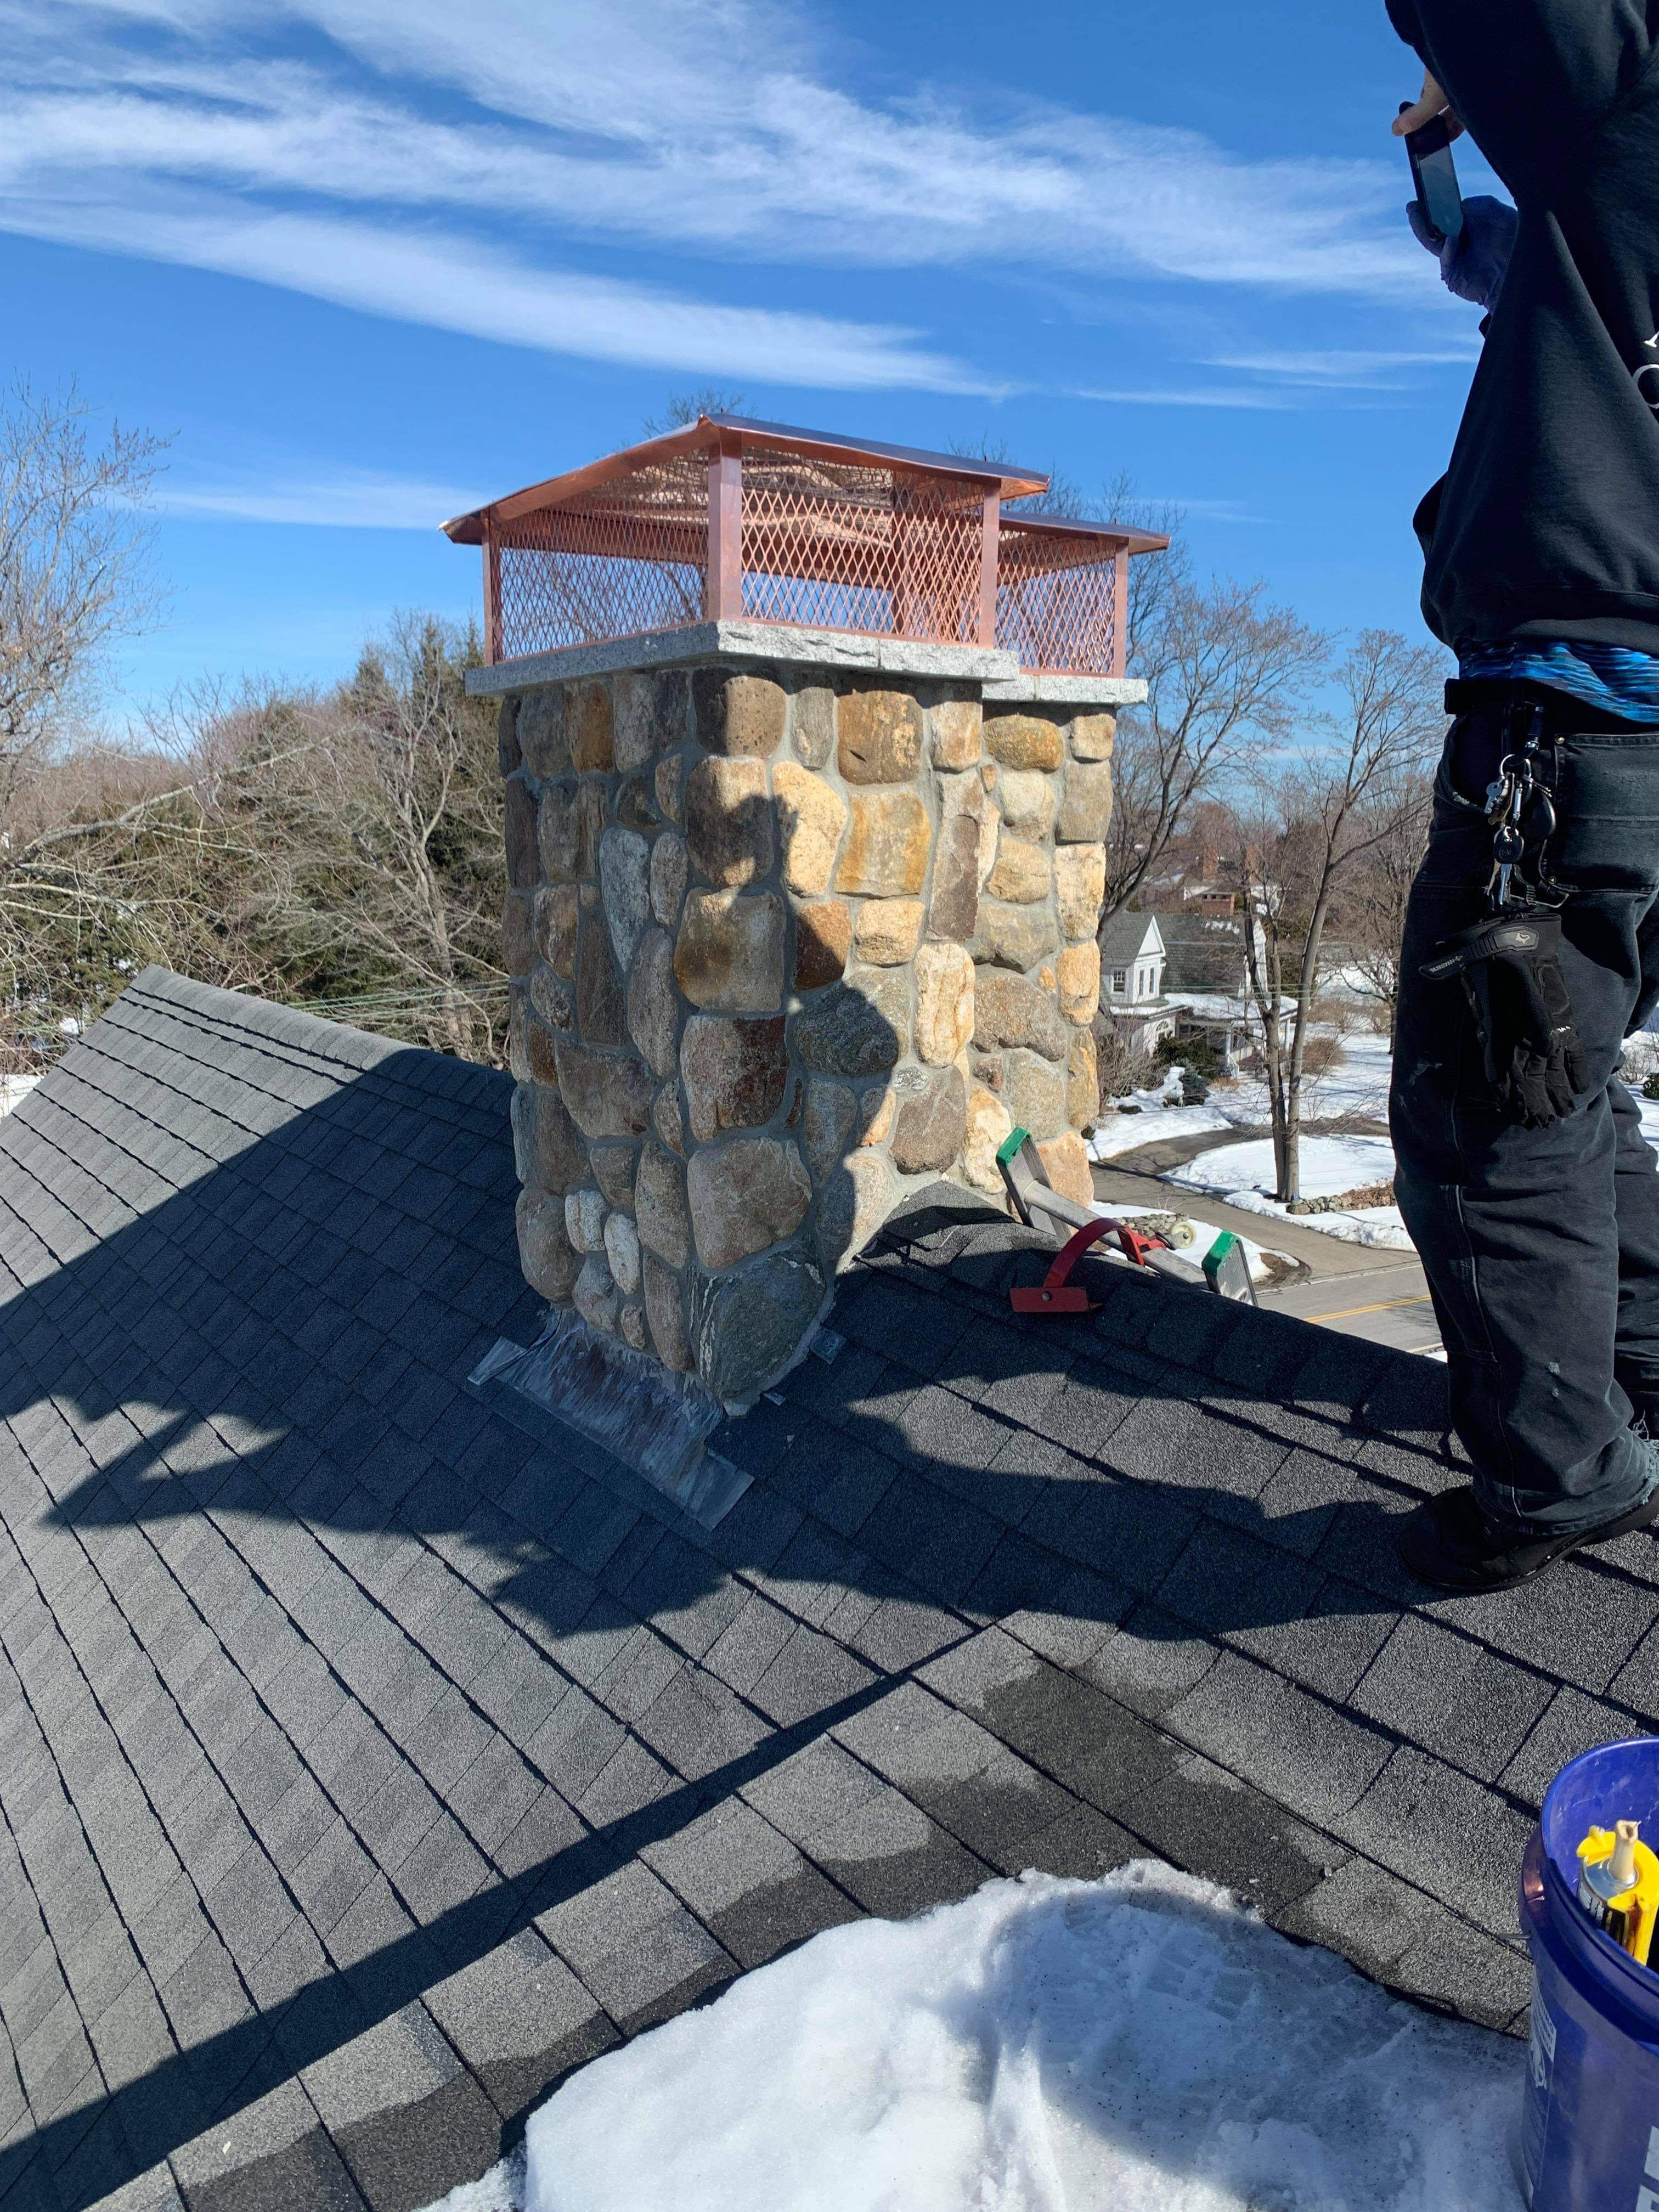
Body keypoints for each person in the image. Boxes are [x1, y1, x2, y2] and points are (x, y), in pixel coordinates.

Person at [1385, 0, 1659, 1592]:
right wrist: (1435, 157)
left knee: (1484, 1111)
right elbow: (1495, 255)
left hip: (1575, 722)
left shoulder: (1627, 108)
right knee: (1574, 1075)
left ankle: (1562, 1481)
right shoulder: (1592, 220)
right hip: (1636, 741)